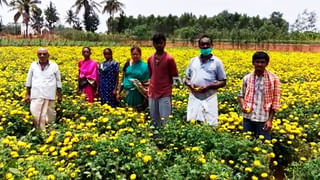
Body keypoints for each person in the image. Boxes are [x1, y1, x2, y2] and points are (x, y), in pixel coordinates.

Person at [185, 35, 227, 126]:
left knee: (210, 125)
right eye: (202, 44)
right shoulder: (193, 61)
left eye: (207, 44)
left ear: (212, 45)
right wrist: (189, 84)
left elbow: (223, 81)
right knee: (193, 124)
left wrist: (209, 86)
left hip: (209, 97)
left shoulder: (217, 62)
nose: (205, 47)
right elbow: (186, 78)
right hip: (194, 97)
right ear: (199, 46)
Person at [238, 51, 281, 140]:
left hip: (263, 118)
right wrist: (243, 105)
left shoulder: (274, 79)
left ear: (267, 63)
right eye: (257, 62)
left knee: (264, 144)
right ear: (253, 63)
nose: (259, 64)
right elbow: (241, 95)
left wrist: (270, 120)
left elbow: (275, 101)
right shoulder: (247, 78)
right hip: (248, 118)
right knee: (246, 144)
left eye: (262, 62)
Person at [25, 47, 62, 130]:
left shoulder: (54, 66)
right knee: (35, 113)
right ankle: (39, 133)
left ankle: (50, 132)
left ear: (48, 55)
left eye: (44, 54)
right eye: (40, 54)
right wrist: (27, 94)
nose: (42, 56)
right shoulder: (33, 65)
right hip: (36, 94)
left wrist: (59, 94)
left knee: (50, 115)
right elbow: (29, 80)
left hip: (50, 95)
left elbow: (58, 81)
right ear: (37, 55)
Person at [148, 33, 178, 127]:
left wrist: (168, 87)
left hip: (165, 93)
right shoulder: (150, 59)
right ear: (153, 44)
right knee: (154, 119)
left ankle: (166, 140)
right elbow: (151, 74)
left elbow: (175, 76)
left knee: (166, 120)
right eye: (156, 43)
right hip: (152, 93)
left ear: (165, 43)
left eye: (160, 43)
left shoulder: (169, 59)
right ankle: (156, 140)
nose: (158, 45)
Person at [121, 46, 149, 111]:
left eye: (137, 54)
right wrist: (119, 91)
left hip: (139, 93)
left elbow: (147, 81)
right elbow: (123, 77)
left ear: (140, 55)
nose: (135, 56)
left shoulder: (144, 66)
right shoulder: (128, 64)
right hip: (127, 93)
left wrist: (139, 85)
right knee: (128, 111)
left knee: (139, 112)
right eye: (133, 54)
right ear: (131, 55)